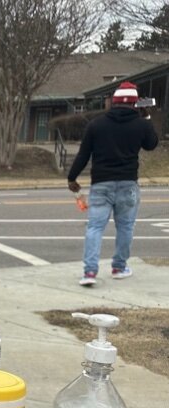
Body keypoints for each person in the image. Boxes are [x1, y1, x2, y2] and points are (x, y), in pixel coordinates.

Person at [67, 82, 159, 287]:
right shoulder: (141, 124)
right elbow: (151, 144)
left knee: (95, 227)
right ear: (136, 104)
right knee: (125, 226)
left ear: (114, 102)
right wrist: (147, 118)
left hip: (101, 183)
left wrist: (72, 177)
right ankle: (119, 267)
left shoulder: (96, 124)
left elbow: (83, 154)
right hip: (128, 183)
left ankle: (89, 272)